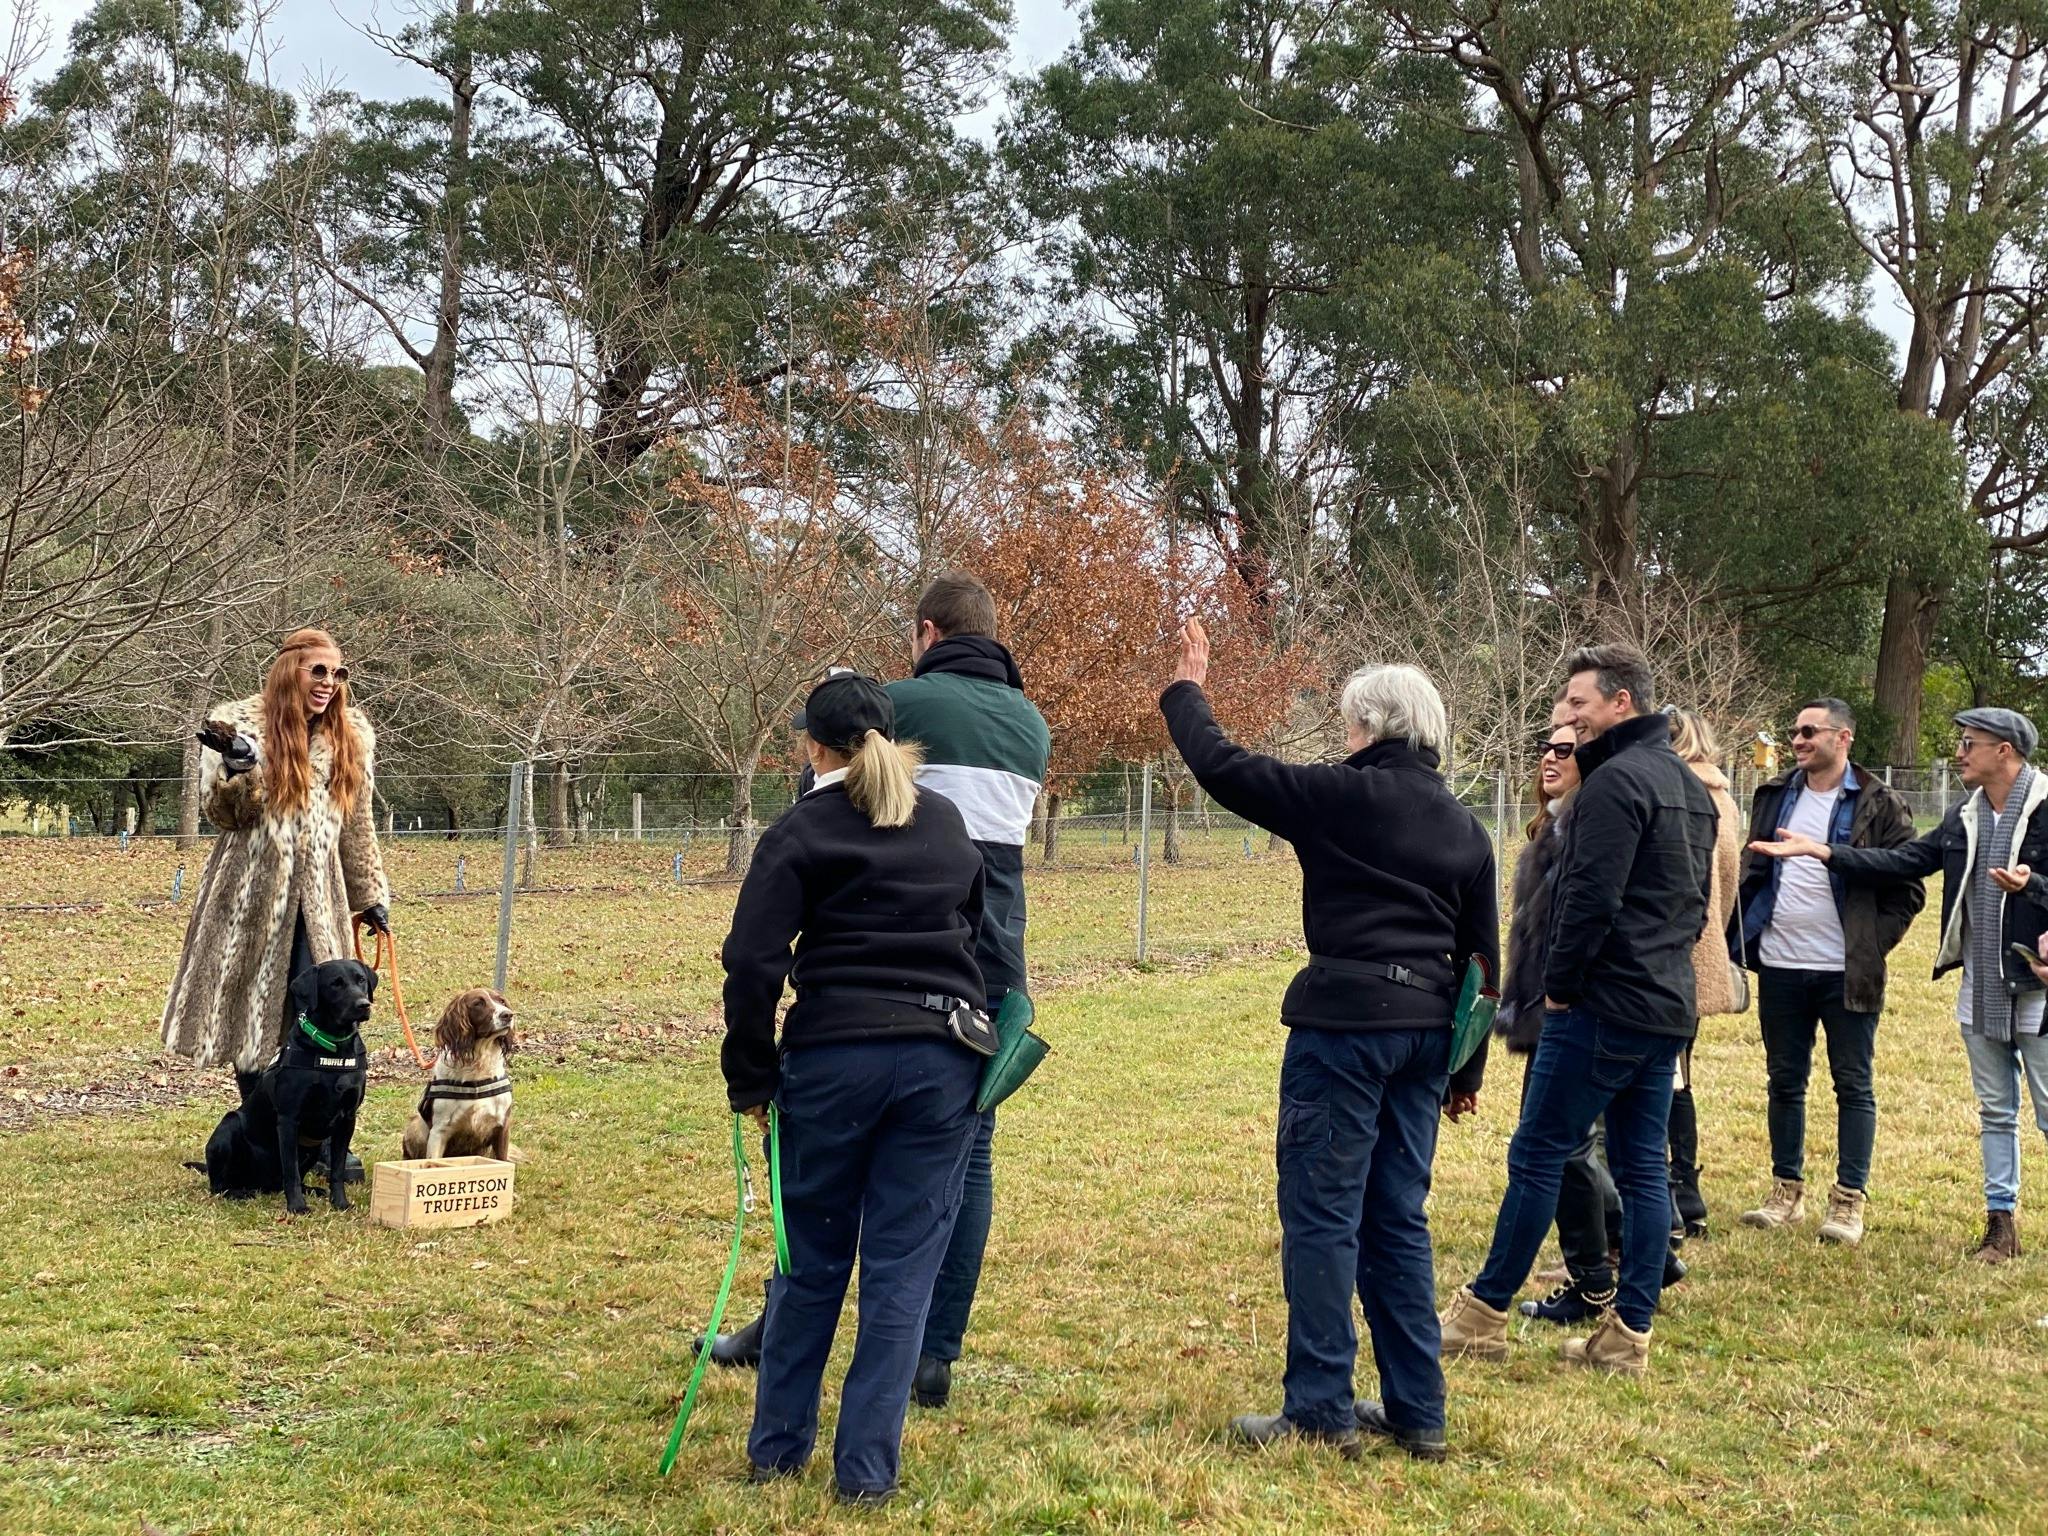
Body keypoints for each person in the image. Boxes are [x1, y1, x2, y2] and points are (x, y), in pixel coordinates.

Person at [699, 571, 1051, 1411]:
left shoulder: (899, 707)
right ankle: (932, 1351)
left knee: (827, 1179)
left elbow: (827, 809)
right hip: (983, 959)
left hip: (876, 957)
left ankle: (785, 1326)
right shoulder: (1031, 724)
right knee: (963, 1160)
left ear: (928, 634)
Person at [1161, 618, 1498, 1462]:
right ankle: (1419, 1411)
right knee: (1397, 1219)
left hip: (1344, 1028)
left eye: (1350, 725)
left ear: (1374, 729)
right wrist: (1467, 1070)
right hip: (1425, 1037)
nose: (1343, 741)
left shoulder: (1342, 797)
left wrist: (1185, 691)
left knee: (1322, 1216)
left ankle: (1319, 1406)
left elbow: (1224, 768)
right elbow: (1484, 963)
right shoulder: (1466, 829)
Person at [719, 671, 989, 1506]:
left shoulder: (801, 829)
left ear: (813, 745)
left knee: (811, 1261)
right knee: (903, 1273)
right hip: (942, 1062)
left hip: (835, 1062)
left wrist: (750, 1077)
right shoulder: (946, 822)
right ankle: (867, 1474)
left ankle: (776, 1453)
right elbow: (977, 935)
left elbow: (753, 963)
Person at [1439, 642, 1715, 1375]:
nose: (1568, 715)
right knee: (1641, 1169)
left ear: (1621, 702)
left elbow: (1588, 898)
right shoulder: (1687, 786)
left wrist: (1559, 986)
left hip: (1599, 1007)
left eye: (1578, 703)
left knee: (1538, 1152)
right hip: (1664, 1008)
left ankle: (1480, 1315)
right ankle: (1628, 1338)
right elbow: (1696, 910)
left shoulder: (1613, 783)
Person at [1749, 707, 2048, 1263]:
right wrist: (1824, 852)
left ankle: (1854, 1197)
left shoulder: (2046, 809)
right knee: (1996, 1112)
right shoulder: (1968, 815)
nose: (1958, 752)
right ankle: (2000, 1227)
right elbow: (1909, 859)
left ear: (2004, 750)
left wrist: (2036, 890)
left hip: (2038, 991)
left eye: (1968, 743)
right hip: (1982, 986)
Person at [160, 628, 390, 1115]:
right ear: (291, 672)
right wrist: (240, 768)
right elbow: (223, 816)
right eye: (319, 671)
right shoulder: (238, 725)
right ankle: (260, 1118)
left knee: (325, 1000)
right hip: (249, 886)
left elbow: (357, 822)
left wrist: (368, 894)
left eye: (337, 672)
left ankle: (317, 1126)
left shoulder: (350, 734)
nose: (329, 682)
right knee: (249, 1001)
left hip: (320, 893)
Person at [1733, 698, 1921, 1248]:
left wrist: (1867, 944)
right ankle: (1785, 1191)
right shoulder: (1774, 796)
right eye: (1794, 731)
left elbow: (1909, 883)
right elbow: (1755, 871)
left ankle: (1847, 1201)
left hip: (1845, 973)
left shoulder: (1879, 804)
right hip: (1781, 965)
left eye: (1810, 731)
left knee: (1853, 1084)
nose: (1798, 739)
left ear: (1843, 739)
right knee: (1785, 1080)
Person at [1497, 714, 1620, 1325]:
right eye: (1545, 748)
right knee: (1563, 1144)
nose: (1550, 758)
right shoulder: (1548, 828)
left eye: (1566, 750)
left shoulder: (1589, 829)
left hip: (1571, 1011)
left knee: (1552, 1146)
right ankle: (1631, 1248)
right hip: (1543, 1008)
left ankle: (1596, 1278)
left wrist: (1558, 999)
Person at [1663, 708, 1744, 1240]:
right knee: (1679, 1074)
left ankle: (1675, 1194)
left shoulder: (1670, 794)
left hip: (1666, 958)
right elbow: (1732, 878)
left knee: (1661, 1080)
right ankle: (1686, 1193)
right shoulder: (1723, 797)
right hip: (1702, 955)